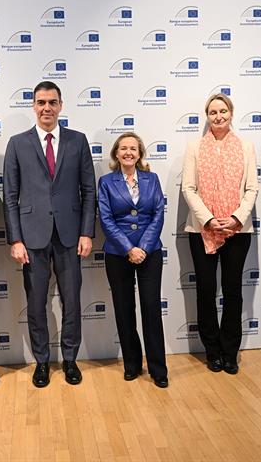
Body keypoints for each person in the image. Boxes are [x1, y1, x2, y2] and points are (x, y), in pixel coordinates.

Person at [3, 81, 96, 387]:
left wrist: (87, 232)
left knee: (72, 301)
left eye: (52, 102)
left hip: (70, 236)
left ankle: (70, 360)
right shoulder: (17, 143)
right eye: (41, 102)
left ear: (61, 105)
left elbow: (88, 191)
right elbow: (11, 194)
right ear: (33, 105)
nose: (46, 108)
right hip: (32, 237)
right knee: (36, 302)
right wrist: (15, 239)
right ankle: (42, 361)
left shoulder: (78, 141)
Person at [181, 93, 259, 375]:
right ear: (207, 116)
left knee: (233, 291)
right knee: (205, 291)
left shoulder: (247, 146)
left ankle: (230, 352)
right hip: (202, 230)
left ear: (231, 113)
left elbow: (252, 188)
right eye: (212, 112)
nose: (218, 116)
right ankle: (212, 351)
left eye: (222, 111)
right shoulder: (194, 147)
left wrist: (236, 218)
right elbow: (188, 188)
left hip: (237, 231)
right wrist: (210, 220)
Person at [98, 132, 168, 388]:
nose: (128, 152)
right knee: (124, 309)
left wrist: (144, 247)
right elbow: (106, 219)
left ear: (140, 154)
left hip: (150, 253)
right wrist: (129, 248)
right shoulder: (106, 182)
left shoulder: (153, 179)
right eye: (123, 148)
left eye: (133, 148)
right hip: (118, 254)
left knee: (151, 309)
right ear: (116, 154)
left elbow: (158, 213)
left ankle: (158, 369)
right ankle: (132, 364)